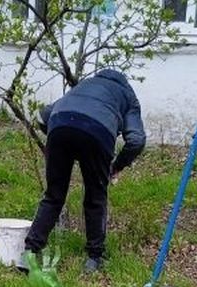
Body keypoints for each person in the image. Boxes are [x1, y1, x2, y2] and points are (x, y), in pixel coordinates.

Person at [24, 69, 146, 274]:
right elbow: (136, 140)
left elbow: (43, 116)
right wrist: (116, 166)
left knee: (53, 195)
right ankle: (94, 259)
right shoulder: (128, 96)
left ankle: (29, 253)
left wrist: (58, 140)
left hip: (60, 125)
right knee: (95, 198)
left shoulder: (85, 84)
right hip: (98, 133)